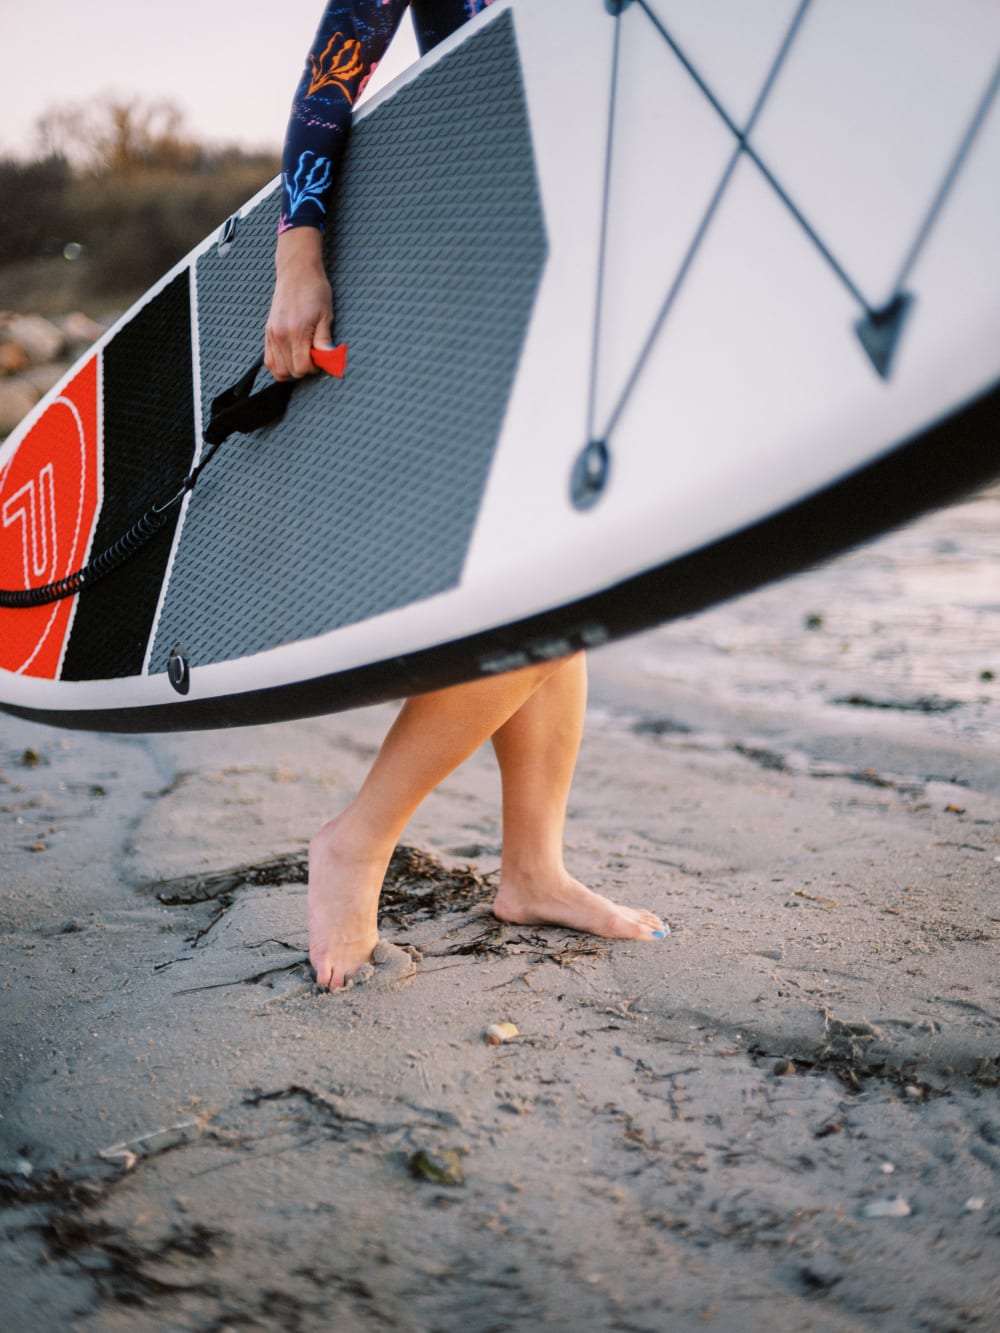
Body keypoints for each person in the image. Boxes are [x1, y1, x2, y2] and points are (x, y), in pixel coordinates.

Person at [264, 0, 669, 990]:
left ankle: (532, 867)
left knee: (570, 568)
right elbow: (333, 72)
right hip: (487, 248)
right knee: (557, 574)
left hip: (601, 239)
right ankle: (359, 840)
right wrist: (297, 251)